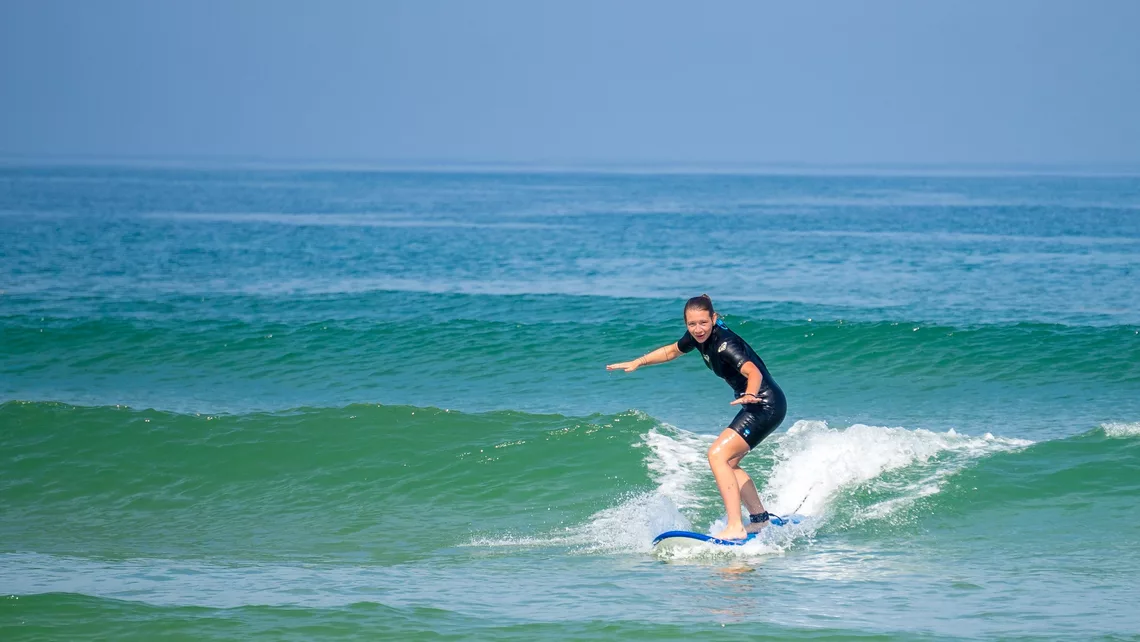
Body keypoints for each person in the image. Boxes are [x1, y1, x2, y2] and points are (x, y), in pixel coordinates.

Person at [606, 294, 787, 541]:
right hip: (759, 404)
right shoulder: (697, 337)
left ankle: (735, 525)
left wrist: (750, 394)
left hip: (764, 404)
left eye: (703, 322)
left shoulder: (726, 344)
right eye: (692, 324)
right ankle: (760, 520)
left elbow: (752, 371)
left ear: (714, 318)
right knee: (729, 463)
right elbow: (672, 351)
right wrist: (639, 362)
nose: (698, 329)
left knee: (717, 455)